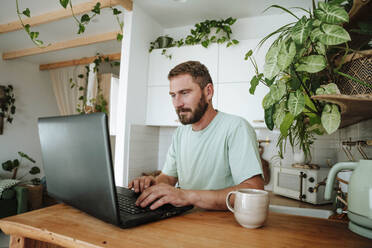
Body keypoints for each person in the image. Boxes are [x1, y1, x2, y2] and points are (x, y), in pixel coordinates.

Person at [128, 61, 264, 210]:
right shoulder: (180, 133)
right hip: (185, 222)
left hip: (223, 227)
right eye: (173, 95)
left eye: (185, 93)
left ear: (208, 92)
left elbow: (254, 190)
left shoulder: (236, 128)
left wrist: (187, 196)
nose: (177, 103)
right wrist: (153, 183)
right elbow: (168, 177)